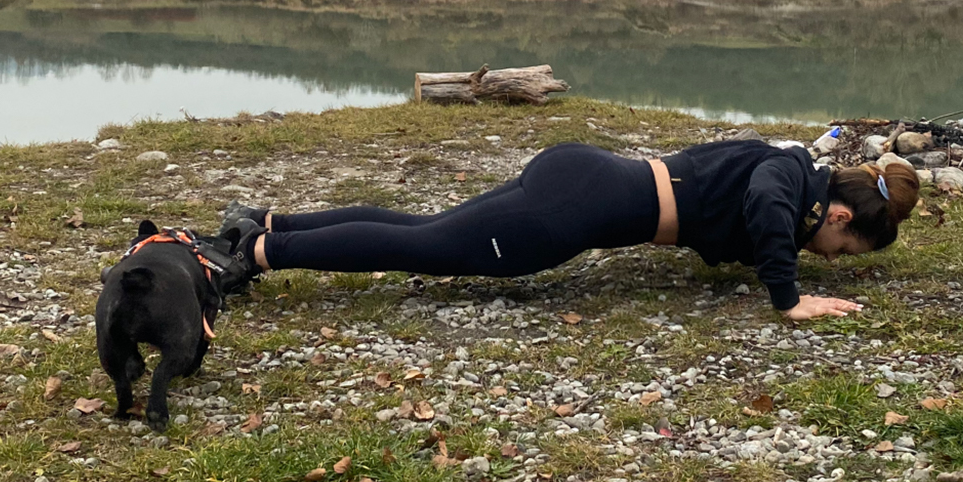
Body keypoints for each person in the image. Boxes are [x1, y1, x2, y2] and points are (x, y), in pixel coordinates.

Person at [216, 138, 921, 321]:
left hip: (582, 176)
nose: (834, 259)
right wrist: (787, 297)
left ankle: (270, 224)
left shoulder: (793, 170)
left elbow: (762, 204)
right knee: (423, 247)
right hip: (574, 211)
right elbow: (767, 207)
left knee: (428, 228)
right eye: (845, 248)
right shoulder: (788, 183)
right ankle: (255, 253)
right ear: (837, 215)